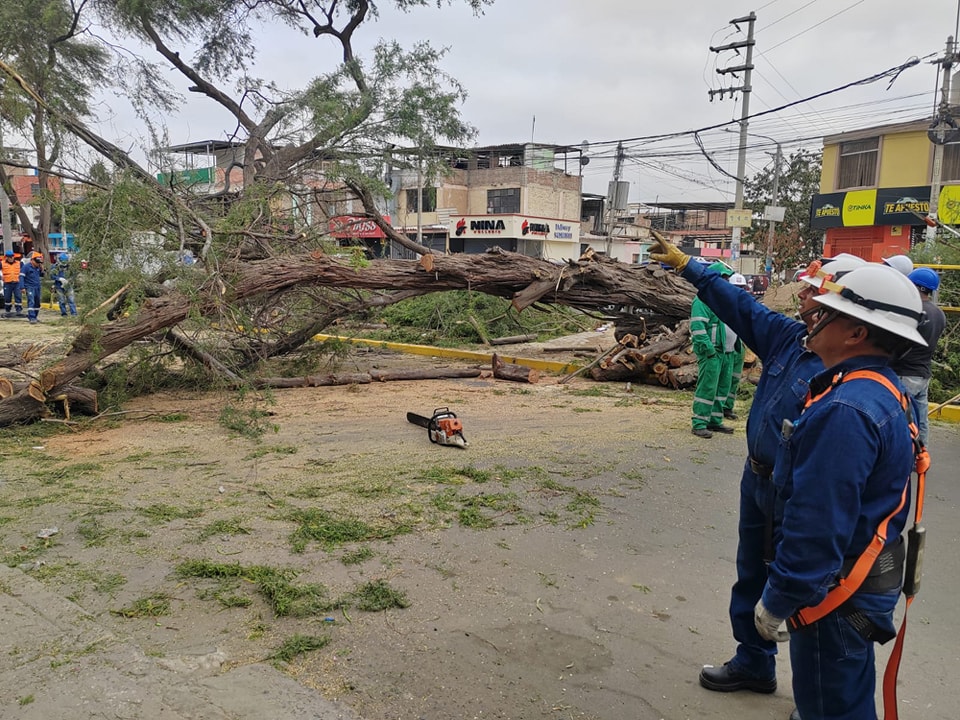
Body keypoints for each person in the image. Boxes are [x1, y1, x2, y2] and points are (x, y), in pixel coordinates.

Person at [648, 231, 865, 710]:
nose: (805, 298)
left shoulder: (854, 375)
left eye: (816, 293)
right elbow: (739, 307)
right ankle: (754, 660)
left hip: (802, 491)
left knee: (808, 587)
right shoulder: (790, 338)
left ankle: (819, 698)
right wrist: (690, 266)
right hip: (760, 478)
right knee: (751, 574)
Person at [754, 263, 924, 720]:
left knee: (832, 706)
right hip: (857, 584)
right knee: (840, 698)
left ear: (855, 334)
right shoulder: (878, 391)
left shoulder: (846, 409)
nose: (812, 317)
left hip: (835, 593)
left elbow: (818, 523)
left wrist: (780, 598)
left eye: (826, 313)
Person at [891, 267, 946, 445]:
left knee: (900, 418)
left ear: (915, 286)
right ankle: (921, 454)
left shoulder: (913, 310)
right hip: (923, 373)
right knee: (921, 419)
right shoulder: (939, 314)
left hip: (904, 372)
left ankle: (902, 455)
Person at [689, 262, 737, 438]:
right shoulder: (702, 300)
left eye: (726, 278)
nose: (726, 281)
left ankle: (714, 421)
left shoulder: (722, 299)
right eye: (723, 278)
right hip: (713, 352)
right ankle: (699, 422)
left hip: (726, 351)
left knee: (722, 387)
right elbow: (698, 327)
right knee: (708, 387)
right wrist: (708, 350)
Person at [724, 274, 749, 420]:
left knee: (734, 380)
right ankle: (718, 409)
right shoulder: (722, 304)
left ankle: (728, 407)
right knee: (724, 381)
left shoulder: (744, 305)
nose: (738, 291)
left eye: (741, 288)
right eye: (736, 288)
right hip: (725, 347)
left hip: (737, 347)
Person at [20, 251, 45, 324]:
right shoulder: (26, 267)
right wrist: (22, 287)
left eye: (39, 262)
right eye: (37, 262)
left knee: (37, 303)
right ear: (32, 260)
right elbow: (21, 277)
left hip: (37, 287)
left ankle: (35, 316)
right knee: (31, 302)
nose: (38, 264)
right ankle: (32, 317)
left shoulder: (38, 267)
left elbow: (41, 275)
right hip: (29, 287)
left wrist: (42, 270)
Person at [51, 252, 78, 316]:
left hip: (68, 285)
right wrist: (59, 279)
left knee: (71, 300)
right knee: (61, 300)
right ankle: (64, 313)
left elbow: (74, 274)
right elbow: (52, 276)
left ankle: (74, 313)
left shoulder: (70, 267)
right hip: (59, 286)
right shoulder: (55, 267)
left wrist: (70, 280)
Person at [2, 249, 24, 317]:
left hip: (17, 283)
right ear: (6, 257)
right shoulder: (2, 263)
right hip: (7, 283)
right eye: (9, 256)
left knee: (18, 296)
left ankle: (19, 310)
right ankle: (7, 310)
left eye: (11, 256)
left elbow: (23, 273)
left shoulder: (19, 263)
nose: (10, 258)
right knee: (7, 297)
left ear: (14, 256)